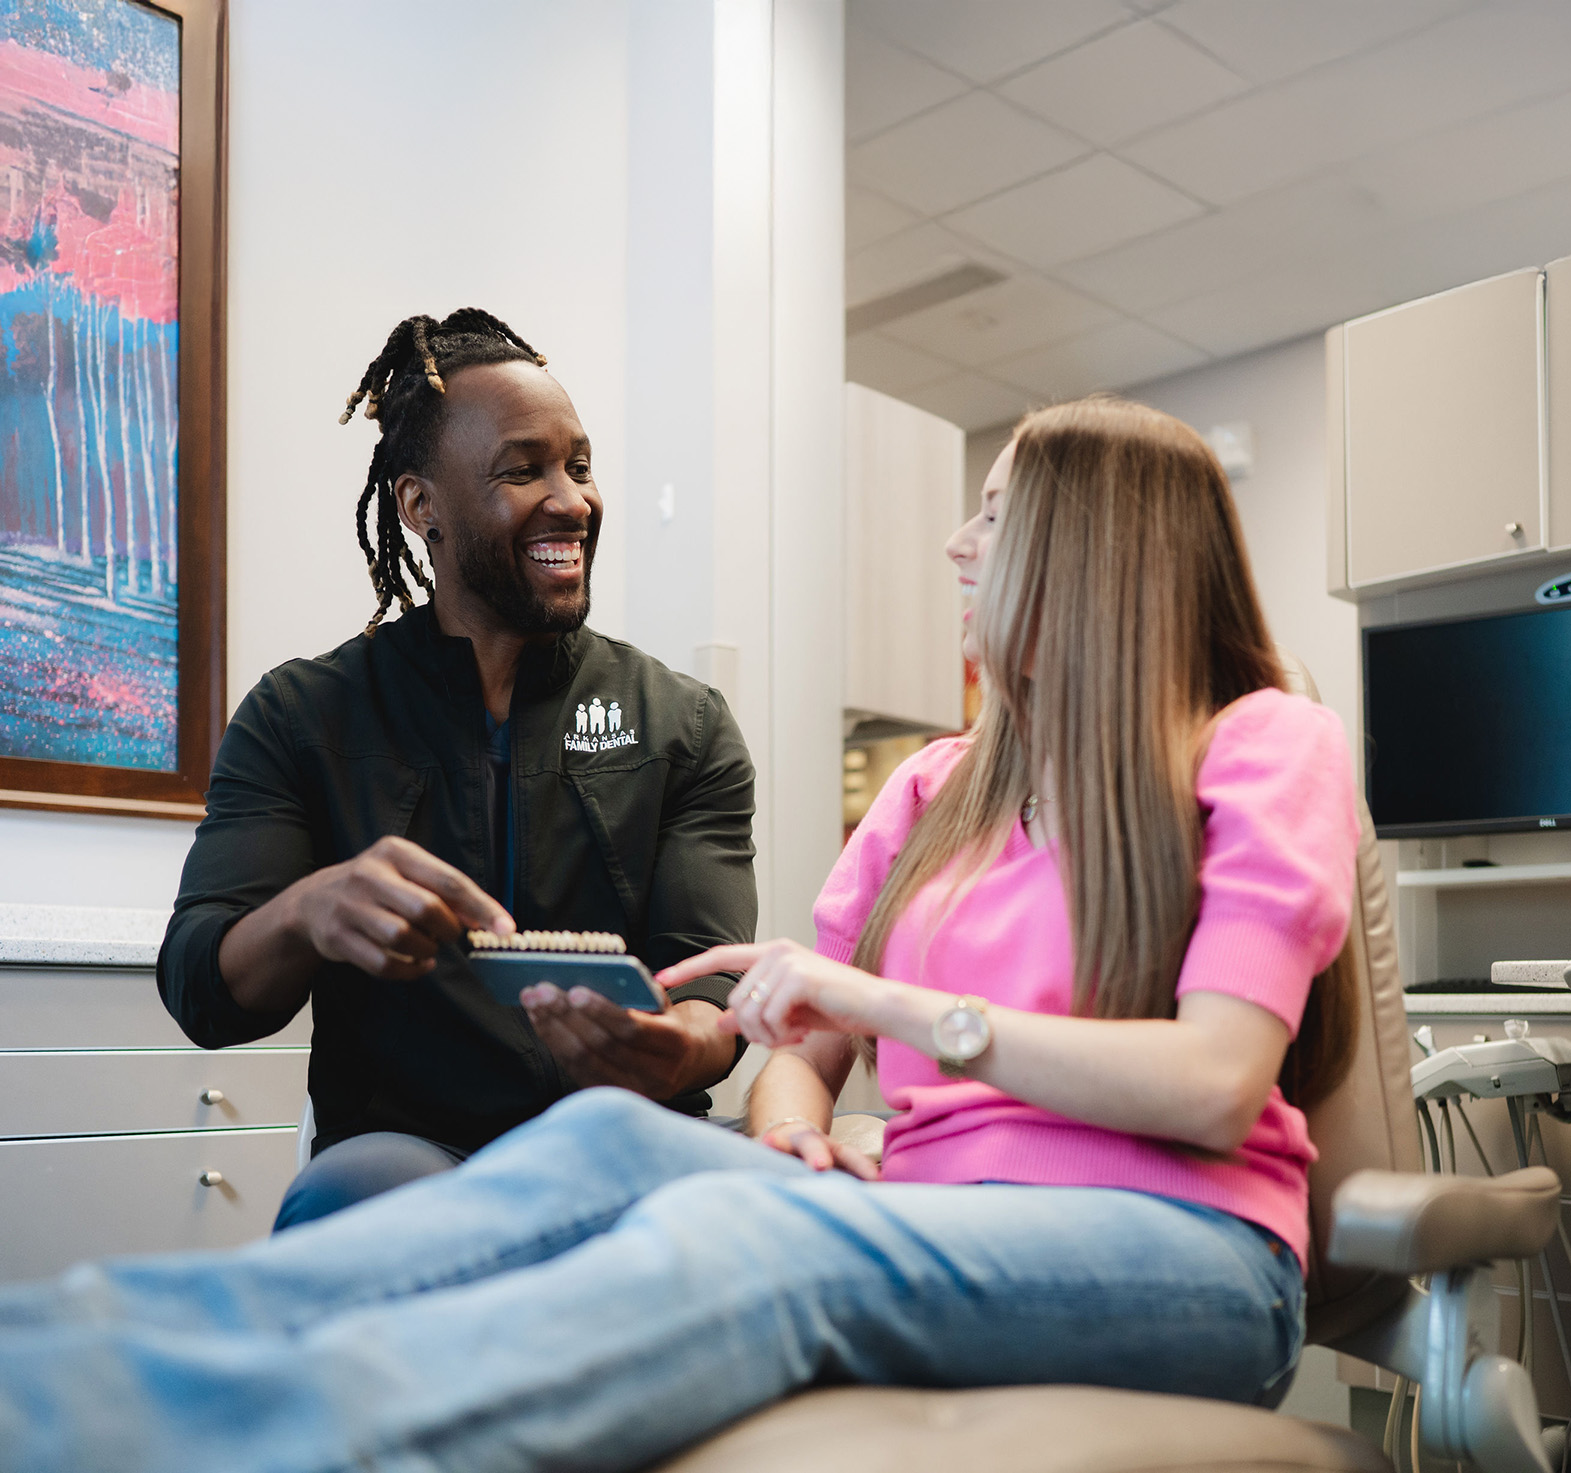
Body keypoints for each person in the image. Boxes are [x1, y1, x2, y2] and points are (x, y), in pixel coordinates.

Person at [2, 398, 1360, 1472]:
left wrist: (890, 1013)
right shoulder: (939, 790)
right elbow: (795, 1049)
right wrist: (787, 1133)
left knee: (747, 1249)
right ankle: (45, 1372)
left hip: (1181, 1249)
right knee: (602, 1141)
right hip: (926, 1211)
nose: (958, 544)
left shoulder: (1261, 744)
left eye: (993, 517)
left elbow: (1213, 1082)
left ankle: (142, 1441)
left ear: (1093, 550)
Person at [156, 309, 756, 1229]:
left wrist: (681, 1047)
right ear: (418, 505)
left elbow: (710, 979)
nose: (573, 501)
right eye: (524, 470)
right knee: (358, 1198)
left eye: (580, 466)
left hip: (623, 1144)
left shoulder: (681, 724)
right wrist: (309, 910)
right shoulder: (303, 716)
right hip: (409, 1153)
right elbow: (202, 983)